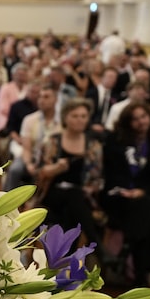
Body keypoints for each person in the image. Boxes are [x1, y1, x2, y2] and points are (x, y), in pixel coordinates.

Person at [101, 103, 150, 286]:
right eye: (135, 118)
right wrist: (126, 191)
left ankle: (132, 261)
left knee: (148, 205)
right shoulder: (115, 141)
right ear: (127, 122)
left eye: (144, 117)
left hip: (143, 199)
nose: (140, 122)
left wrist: (141, 191)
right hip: (116, 195)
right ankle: (148, 271)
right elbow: (109, 172)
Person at [37, 98, 105, 251]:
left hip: (81, 196)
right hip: (53, 193)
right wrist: (55, 168)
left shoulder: (94, 145)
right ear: (65, 118)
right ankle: (97, 248)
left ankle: (63, 257)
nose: (80, 120)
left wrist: (90, 188)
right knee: (74, 196)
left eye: (83, 116)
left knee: (73, 206)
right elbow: (40, 173)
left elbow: (97, 178)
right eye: (75, 116)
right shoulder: (53, 141)